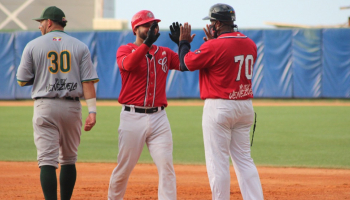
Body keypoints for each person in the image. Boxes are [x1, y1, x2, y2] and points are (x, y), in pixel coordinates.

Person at [176, 3, 264, 200]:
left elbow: (185, 63)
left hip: (220, 106)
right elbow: (228, 58)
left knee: (218, 163)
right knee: (244, 160)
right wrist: (214, 43)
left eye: (213, 22)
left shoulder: (214, 45)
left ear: (217, 23)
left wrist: (183, 43)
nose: (211, 26)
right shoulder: (250, 43)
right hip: (244, 105)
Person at [16, 6, 99, 200]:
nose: (40, 26)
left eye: (41, 22)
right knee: (69, 159)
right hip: (72, 106)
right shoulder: (80, 46)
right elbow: (87, 81)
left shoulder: (33, 45)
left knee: (47, 161)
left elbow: (21, 80)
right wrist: (92, 111)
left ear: (50, 22)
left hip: (45, 105)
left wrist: (43, 76)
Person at [108, 10, 185, 200]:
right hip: (132, 117)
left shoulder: (165, 53)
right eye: (147, 25)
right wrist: (147, 44)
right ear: (136, 29)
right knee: (124, 168)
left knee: (166, 166)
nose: (152, 28)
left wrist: (182, 45)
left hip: (159, 118)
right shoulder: (125, 50)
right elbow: (129, 65)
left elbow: (186, 64)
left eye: (154, 25)